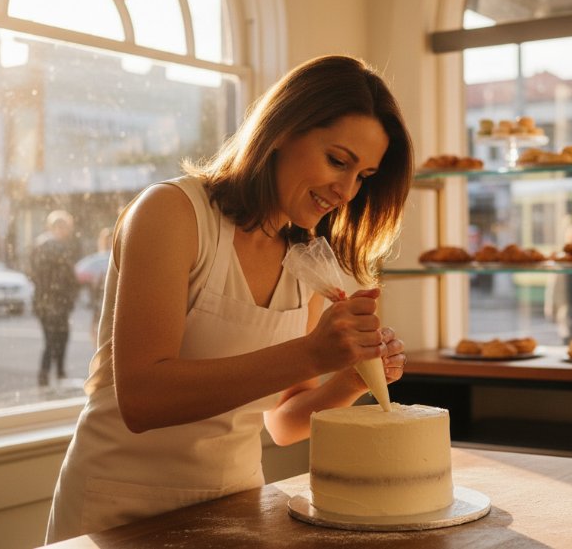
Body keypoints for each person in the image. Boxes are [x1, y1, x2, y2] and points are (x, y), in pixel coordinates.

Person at [45, 55, 413, 543]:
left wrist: (348, 378)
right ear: (283, 129)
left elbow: (284, 421)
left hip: (237, 509)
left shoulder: (305, 258)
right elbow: (142, 398)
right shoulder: (172, 214)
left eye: (363, 176)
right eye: (338, 161)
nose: (346, 190)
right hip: (119, 509)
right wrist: (310, 352)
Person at [30, 209, 80, 387]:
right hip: (55, 302)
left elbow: (35, 275)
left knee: (55, 338)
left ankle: (52, 374)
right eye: (65, 227)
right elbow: (65, 277)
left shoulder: (40, 245)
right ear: (57, 227)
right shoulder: (56, 247)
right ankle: (53, 374)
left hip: (45, 302)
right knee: (57, 338)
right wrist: (71, 293)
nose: (67, 231)